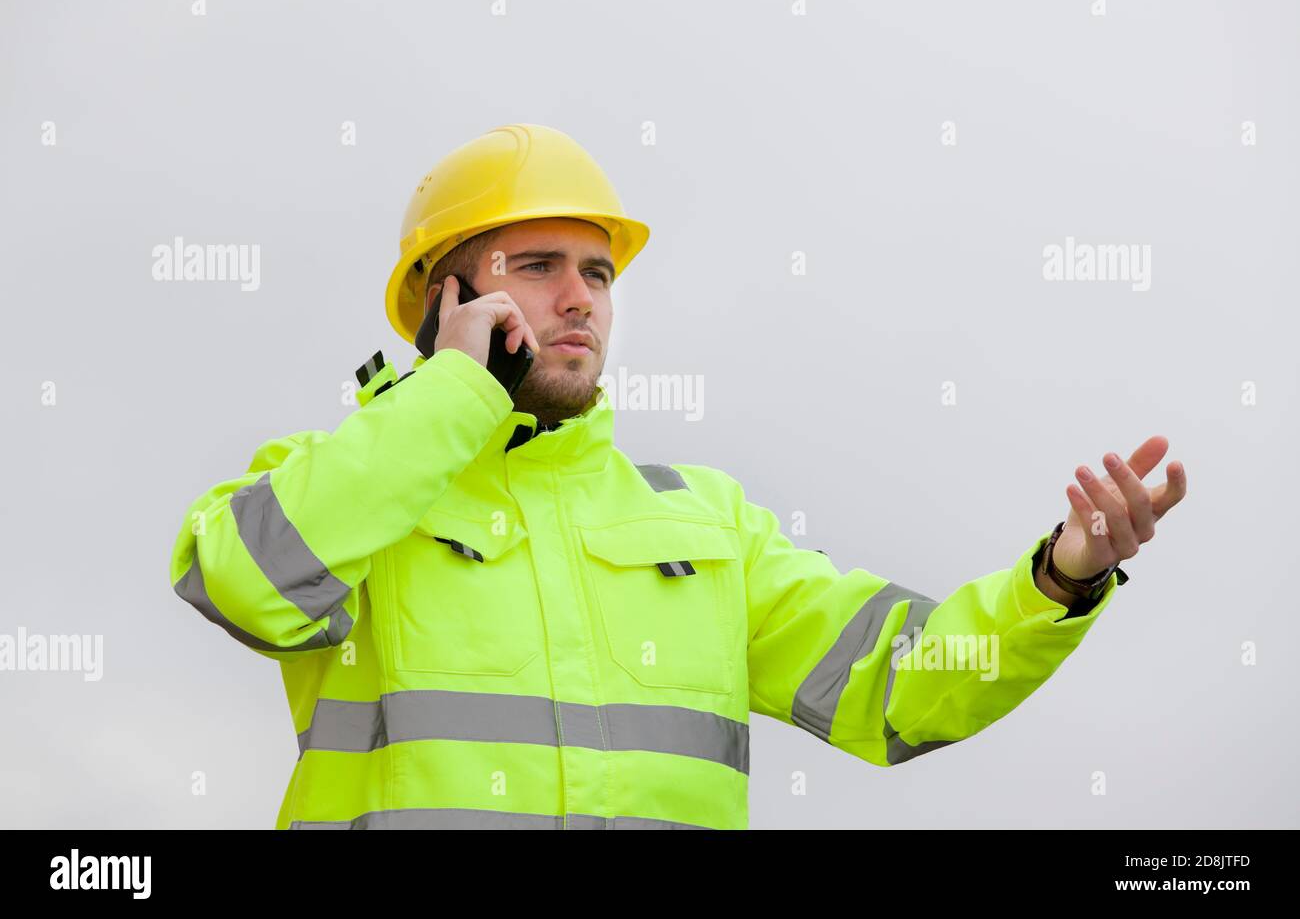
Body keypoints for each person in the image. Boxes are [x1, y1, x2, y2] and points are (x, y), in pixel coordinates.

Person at [167, 122, 1187, 829]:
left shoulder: (706, 520)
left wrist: (1058, 576)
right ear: (449, 296)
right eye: (540, 265)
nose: (580, 298)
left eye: (598, 272)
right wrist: (451, 392)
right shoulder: (341, 485)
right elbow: (239, 581)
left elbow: (900, 686)